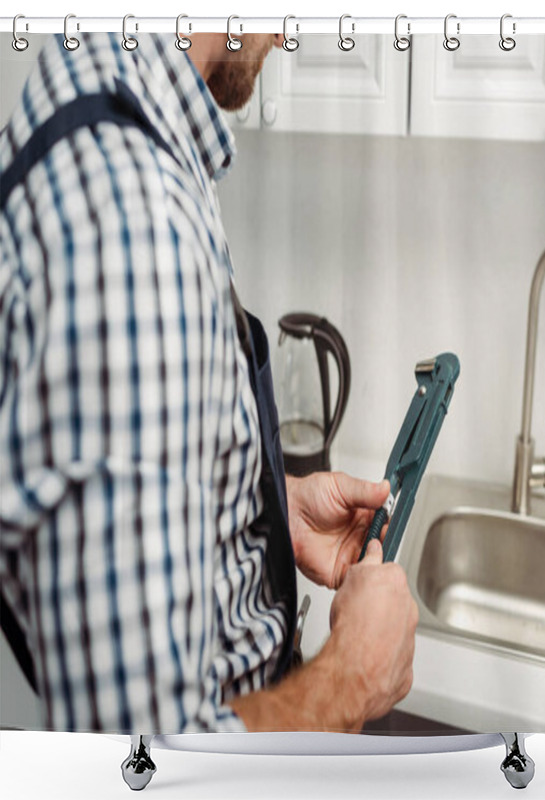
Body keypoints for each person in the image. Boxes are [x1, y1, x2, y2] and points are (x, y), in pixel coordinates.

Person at [0, 30, 418, 734]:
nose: (287, 30)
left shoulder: (96, 106)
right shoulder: (135, 238)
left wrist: (264, 507)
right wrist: (354, 676)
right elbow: (139, 760)